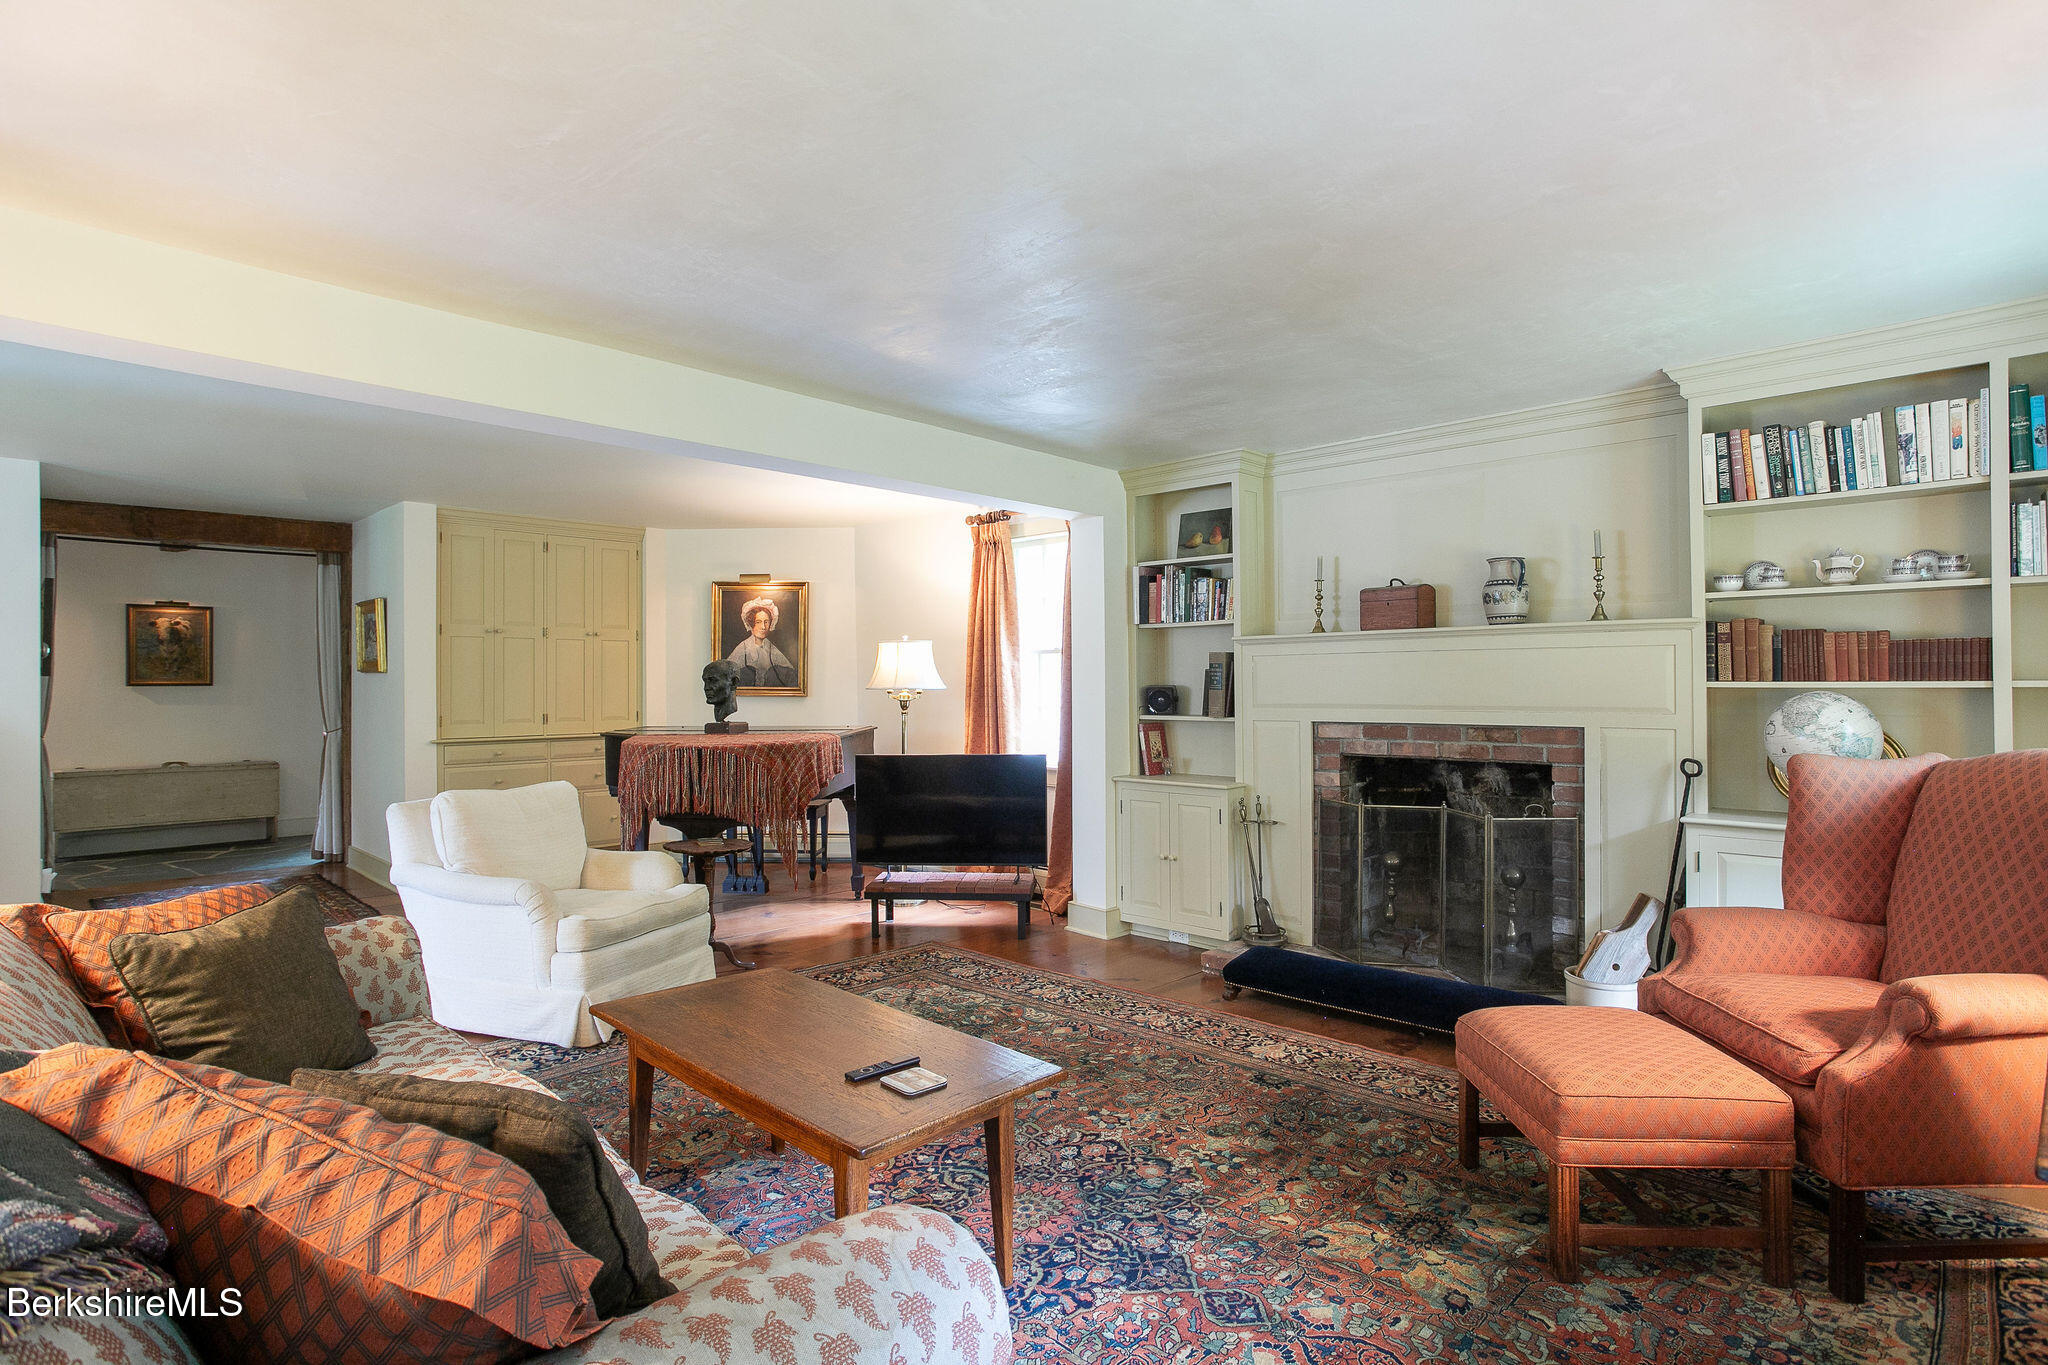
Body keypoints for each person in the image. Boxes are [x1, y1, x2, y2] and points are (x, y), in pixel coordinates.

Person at [726, 597, 798, 688]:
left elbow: (790, 678)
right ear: (751, 623)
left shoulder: (773, 650)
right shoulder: (742, 648)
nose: (763, 627)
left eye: (766, 622)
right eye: (758, 622)